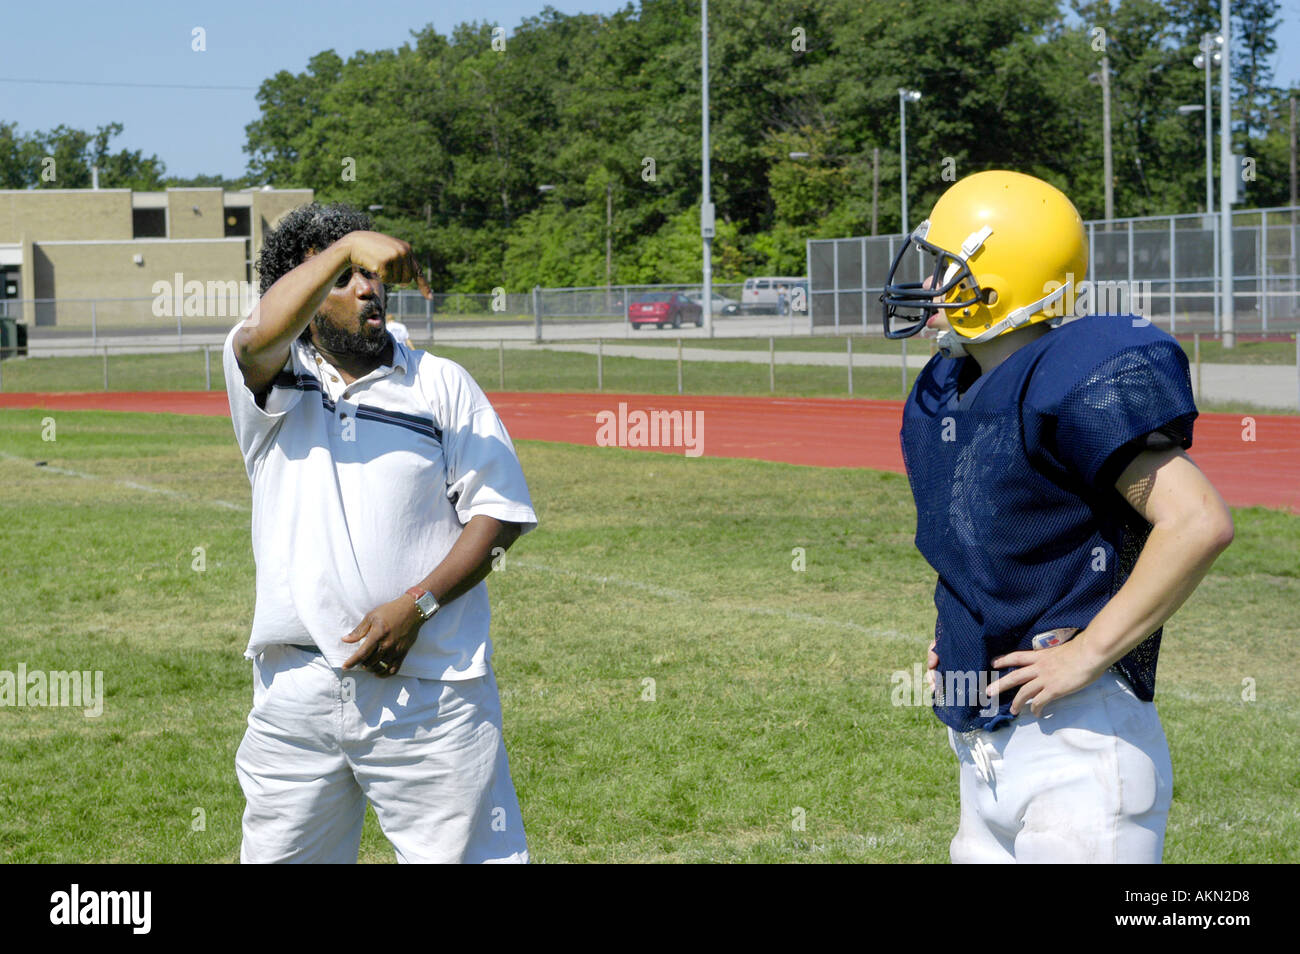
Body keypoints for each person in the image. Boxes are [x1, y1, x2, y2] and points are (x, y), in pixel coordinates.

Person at [881, 170, 1234, 863]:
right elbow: (997, 539)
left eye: (947, 271)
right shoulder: (951, 388)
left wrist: (1087, 653)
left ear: (1000, 280)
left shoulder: (1076, 373)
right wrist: (963, 635)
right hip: (986, 748)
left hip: (1078, 752)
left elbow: (1197, 522)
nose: (927, 289)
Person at [222, 202, 537, 863]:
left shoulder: (440, 383)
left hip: (430, 690)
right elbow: (256, 337)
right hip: (297, 693)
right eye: (344, 276)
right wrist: (343, 249)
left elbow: (499, 511)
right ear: (306, 296)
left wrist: (415, 607)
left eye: (370, 272)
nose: (368, 288)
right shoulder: (273, 381)